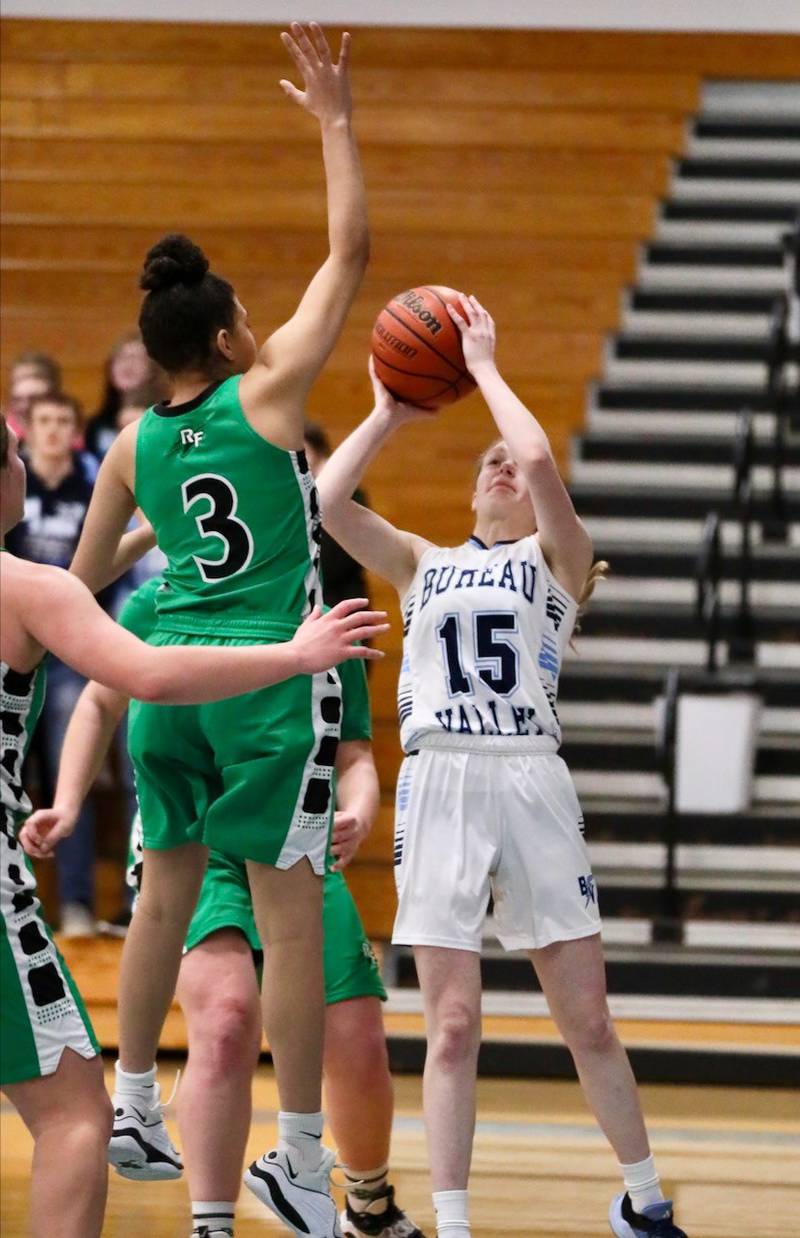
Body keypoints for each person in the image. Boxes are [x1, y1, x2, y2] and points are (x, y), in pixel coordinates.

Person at [68, 22, 371, 1235]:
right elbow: (350, 251)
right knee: (285, 916)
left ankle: (134, 1091)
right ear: (233, 335)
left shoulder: (134, 446)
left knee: (161, 894)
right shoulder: (272, 392)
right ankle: (298, 1156)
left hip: (166, 677)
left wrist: (155, 536)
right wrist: (335, 121)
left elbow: (84, 576)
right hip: (260, 683)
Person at [315, 297, 690, 1238]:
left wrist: (482, 367)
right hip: (440, 782)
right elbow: (326, 503)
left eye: (507, 467)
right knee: (450, 1027)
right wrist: (391, 412)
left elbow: (535, 458)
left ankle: (645, 1203)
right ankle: (454, 1224)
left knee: (589, 1021)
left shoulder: (557, 560)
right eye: (483, 461)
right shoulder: (420, 562)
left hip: (529, 776)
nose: (497, 465)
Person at [0, 416, 386, 1238]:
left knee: (337, 1015)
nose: (29, 466)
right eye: (16, 455)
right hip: (216, 835)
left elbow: (355, 751)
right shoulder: (100, 597)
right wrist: (291, 657)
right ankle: (276, 1163)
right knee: (128, 1080)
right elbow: (124, 680)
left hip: (284, 822)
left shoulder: (317, 606)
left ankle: (175, 1113)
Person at [6, 392, 102, 935]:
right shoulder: (14, 493)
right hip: (15, 639)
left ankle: (77, 905)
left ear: (75, 431)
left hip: (70, 649)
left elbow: (100, 573)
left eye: (63, 420)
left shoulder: (89, 494)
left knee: (72, 769)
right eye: (42, 420)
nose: (51, 430)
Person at [304, 421, 369, 607]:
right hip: (307, 615)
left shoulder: (350, 496)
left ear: (320, 454)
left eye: (303, 452)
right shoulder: (292, 499)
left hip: (342, 607)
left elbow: (332, 563)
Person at [85, 331, 165, 462]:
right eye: (121, 358)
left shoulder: (163, 419)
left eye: (136, 358)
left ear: (152, 369)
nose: (127, 365)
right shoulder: (97, 423)